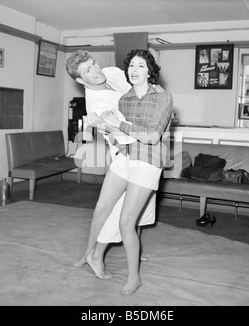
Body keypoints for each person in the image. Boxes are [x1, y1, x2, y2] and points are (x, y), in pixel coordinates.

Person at [84, 49, 173, 295]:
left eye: (141, 66)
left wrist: (118, 124)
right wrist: (109, 130)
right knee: (103, 207)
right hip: (127, 156)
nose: (134, 70)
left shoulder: (163, 96)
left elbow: (153, 136)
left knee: (125, 222)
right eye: (131, 66)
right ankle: (91, 253)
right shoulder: (124, 99)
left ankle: (134, 278)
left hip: (149, 159)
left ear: (150, 71)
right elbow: (121, 135)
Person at [65, 50, 158, 279]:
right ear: (80, 80)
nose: (96, 70)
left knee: (138, 207)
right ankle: (92, 254)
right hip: (127, 152)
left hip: (143, 150)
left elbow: (139, 89)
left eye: (94, 63)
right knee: (108, 209)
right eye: (88, 70)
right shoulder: (96, 106)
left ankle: (126, 250)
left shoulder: (112, 72)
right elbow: (126, 132)